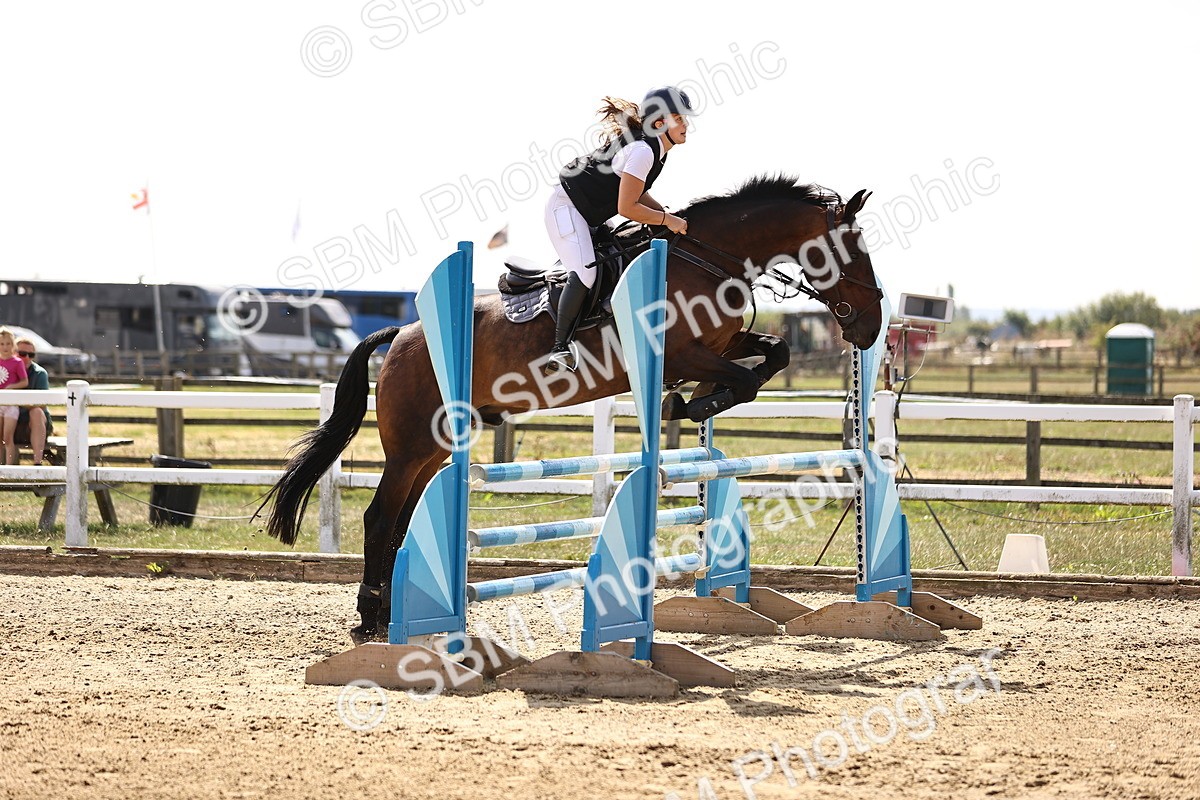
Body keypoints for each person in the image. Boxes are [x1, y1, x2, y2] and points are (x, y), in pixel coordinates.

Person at [544, 85, 695, 372]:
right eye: (679, 118)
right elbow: (628, 208)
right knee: (587, 272)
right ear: (659, 122)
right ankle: (559, 348)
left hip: (590, 212)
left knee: (620, 253)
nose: (686, 124)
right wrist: (667, 220)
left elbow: (638, 194)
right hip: (566, 209)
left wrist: (665, 213)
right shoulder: (643, 151)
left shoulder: (657, 149)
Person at [14, 337, 52, 465]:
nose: (26, 358)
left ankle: (37, 463)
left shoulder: (39, 373)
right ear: (13, 352)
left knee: (36, 412)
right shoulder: (5, 371)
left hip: (32, 426)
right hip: (9, 423)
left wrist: (17, 400)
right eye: (22, 354)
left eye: (31, 355)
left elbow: (41, 404)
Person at [0, 326, 30, 465]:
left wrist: (11, 387)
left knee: (7, 437)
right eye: (2, 344)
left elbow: (24, 381)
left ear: (13, 345)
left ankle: (9, 468)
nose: (5, 347)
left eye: (8, 343)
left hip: (11, 404)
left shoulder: (17, 362)